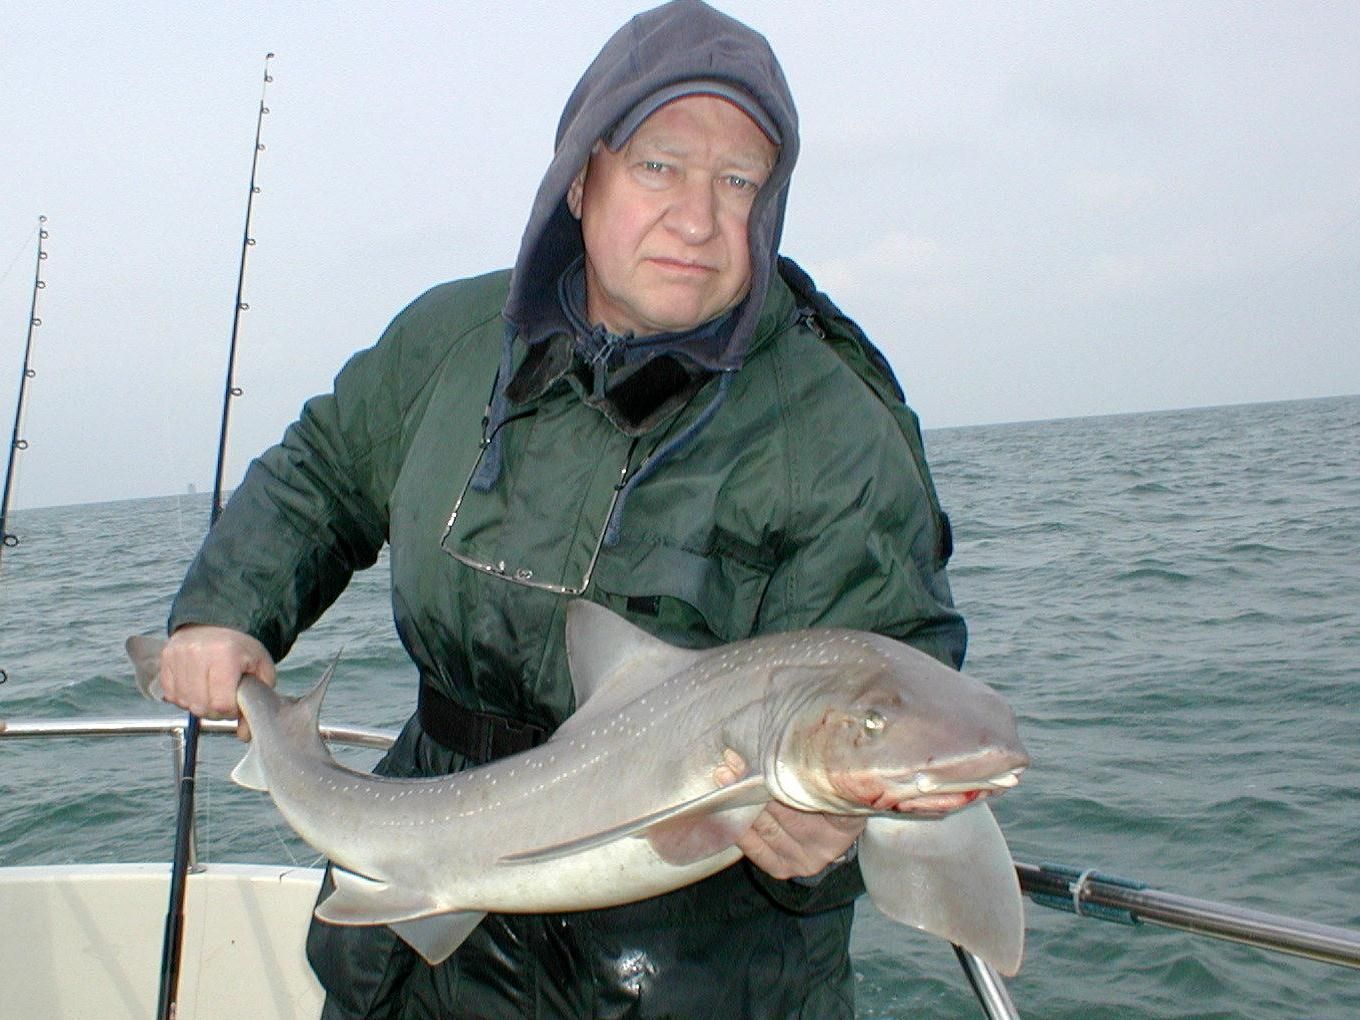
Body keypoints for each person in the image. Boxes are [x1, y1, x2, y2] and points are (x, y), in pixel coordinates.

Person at [158, 1, 964, 1017]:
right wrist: (225, 610)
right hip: (426, 916)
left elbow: (896, 677)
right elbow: (319, 473)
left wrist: (837, 838)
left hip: (691, 952)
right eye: (659, 167)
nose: (698, 218)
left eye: (738, 182)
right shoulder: (452, 341)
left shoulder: (833, 429)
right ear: (582, 179)